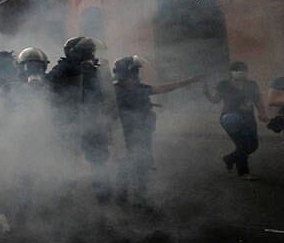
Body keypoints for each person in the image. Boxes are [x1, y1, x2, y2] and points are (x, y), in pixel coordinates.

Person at [111, 56, 201, 197]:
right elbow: (111, 111)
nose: (137, 75)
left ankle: (134, 192)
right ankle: (127, 193)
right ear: (126, 74)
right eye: (134, 72)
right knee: (130, 160)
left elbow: (162, 89)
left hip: (142, 130)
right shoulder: (116, 91)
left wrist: (149, 105)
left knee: (140, 160)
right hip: (127, 132)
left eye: (136, 72)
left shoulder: (136, 88)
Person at [47, 36, 112, 200]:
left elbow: (102, 95)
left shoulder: (94, 70)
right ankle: (65, 199)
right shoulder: (62, 69)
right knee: (67, 161)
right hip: (70, 122)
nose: (90, 54)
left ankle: (104, 200)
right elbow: (48, 88)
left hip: (92, 121)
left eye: (91, 51)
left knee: (99, 162)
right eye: (87, 51)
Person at [203, 62, 269, 180]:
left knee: (253, 145)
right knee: (242, 145)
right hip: (230, 119)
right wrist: (206, 93)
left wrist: (262, 112)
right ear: (231, 72)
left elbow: (258, 100)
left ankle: (230, 158)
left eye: (243, 70)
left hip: (248, 118)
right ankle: (243, 172)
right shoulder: (224, 84)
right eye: (237, 70)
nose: (240, 72)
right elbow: (215, 100)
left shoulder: (252, 84)